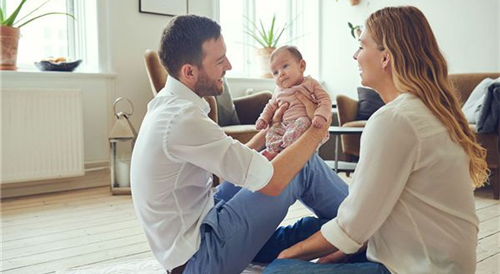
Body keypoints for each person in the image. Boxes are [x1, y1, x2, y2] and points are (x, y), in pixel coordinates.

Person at [263, 5, 489, 274]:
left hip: (420, 267)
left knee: (278, 271)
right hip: (414, 249)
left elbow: (353, 224)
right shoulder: (426, 110)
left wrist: (288, 258)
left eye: (361, 46)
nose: (355, 55)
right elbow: (375, 213)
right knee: (305, 229)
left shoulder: (395, 120)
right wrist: (336, 249)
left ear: (386, 58)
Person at [130, 15, 348, 274]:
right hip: (201, 258)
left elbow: (233, 159)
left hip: (203, 223)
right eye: (220, 61)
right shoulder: (182, 118)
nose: (229, 66)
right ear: (189, 71)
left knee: (283, 167)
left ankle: (348, 229)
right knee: (300, 163)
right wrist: (315, 130)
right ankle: (364, 225)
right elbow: (274, 181)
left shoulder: (168, 105)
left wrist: (269, 131)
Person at [256, 46, 331, 160]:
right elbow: (270, 106)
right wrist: (263, 119)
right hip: (284, 125)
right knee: (271, 131)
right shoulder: (278, 91)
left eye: (285, 66)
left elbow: (325, 99)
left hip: (303, 122)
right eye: (275, 73)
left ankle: (287, 150)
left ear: (301, 66)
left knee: (303, 122)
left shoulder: (310, 83)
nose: (280, 74)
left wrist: (320, 115)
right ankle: (274, 151)